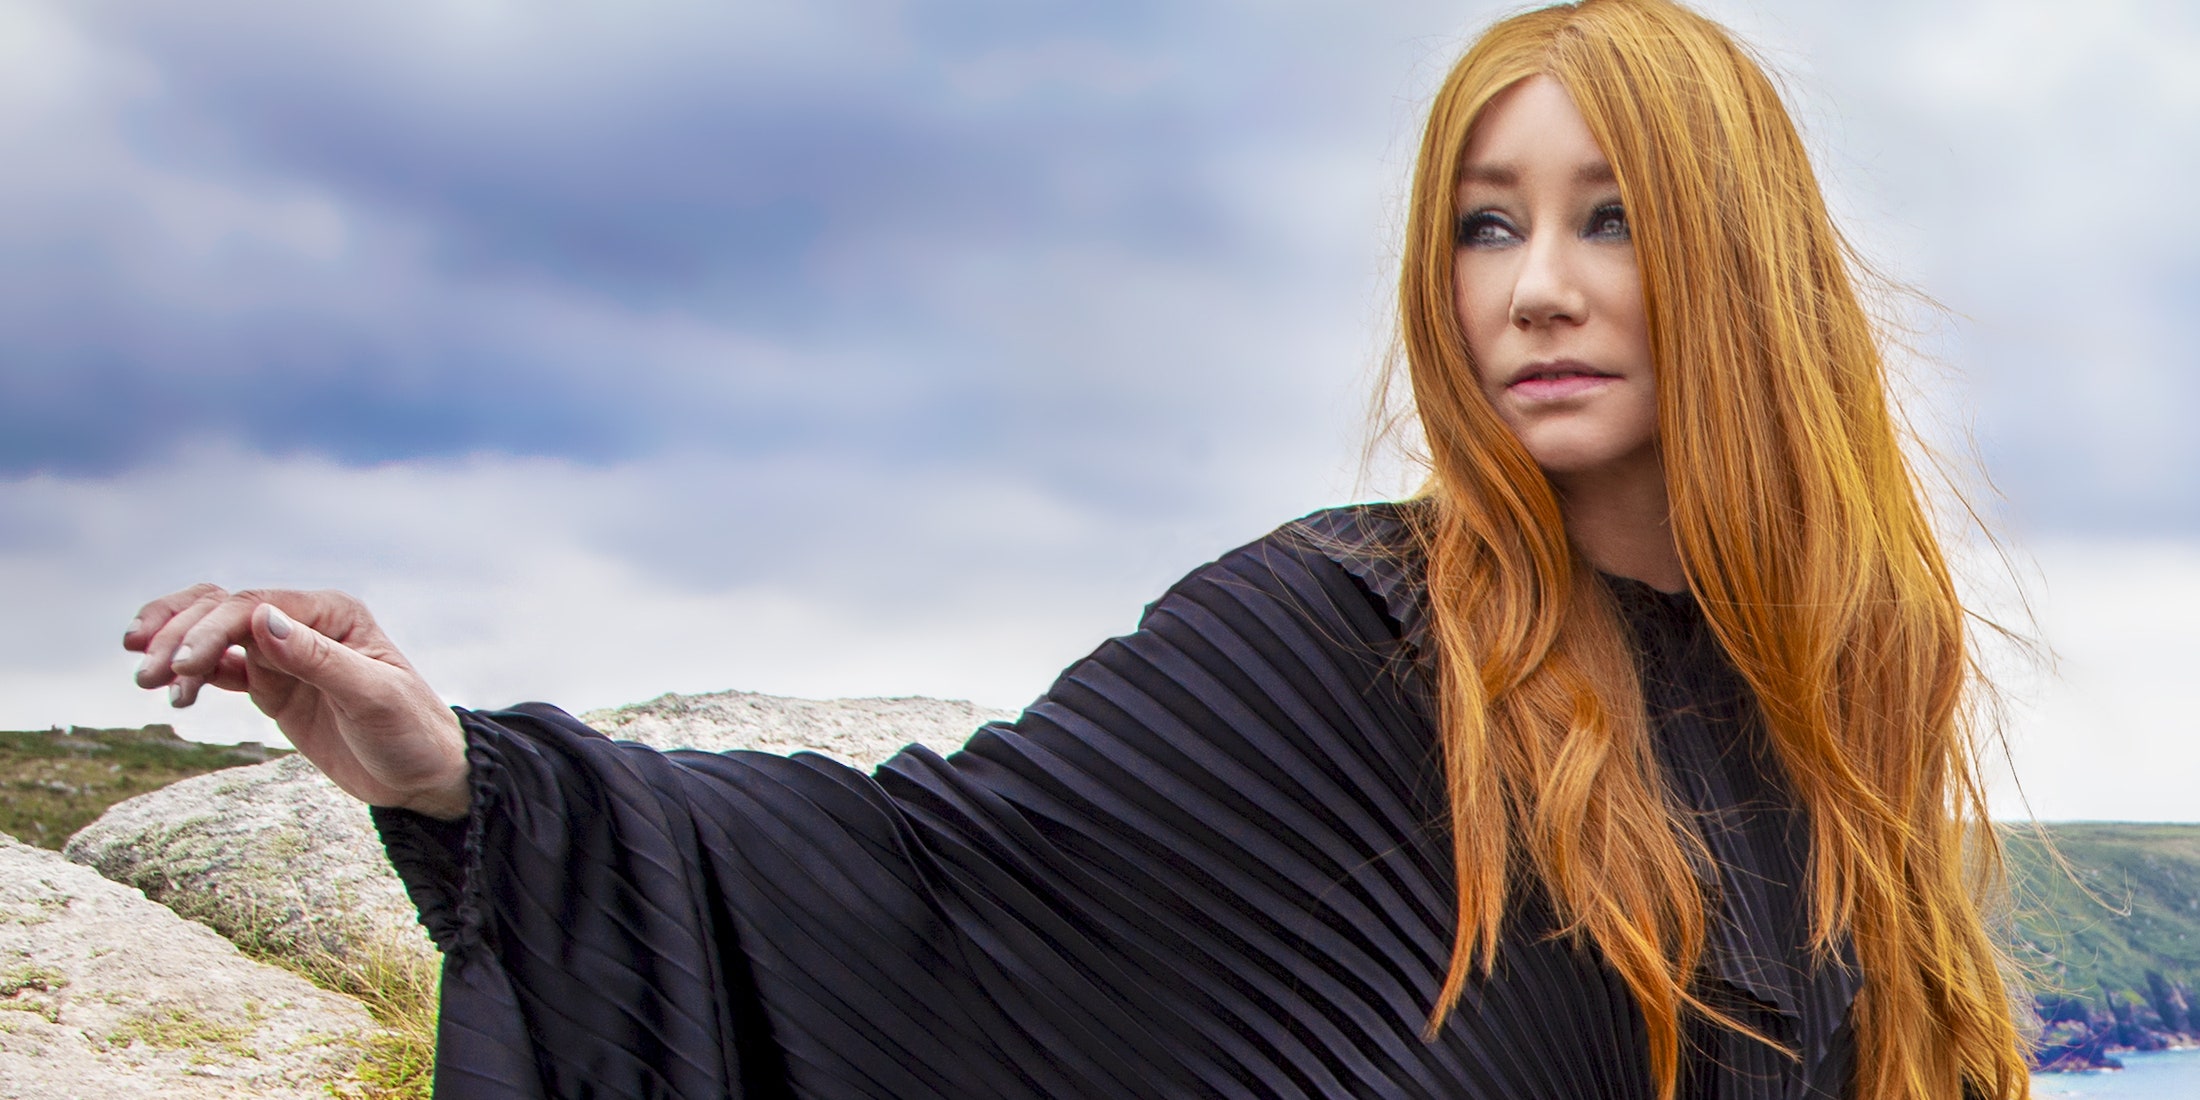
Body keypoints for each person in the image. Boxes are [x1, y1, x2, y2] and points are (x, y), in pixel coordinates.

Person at [121, 1, 2034, 1097]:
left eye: (1607, 218)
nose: (1536, 287)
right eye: (1485, 224)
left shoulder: (1843, 686)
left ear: (1740, 260)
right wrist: (469, 778)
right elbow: (922, 890)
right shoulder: (1342, 638)